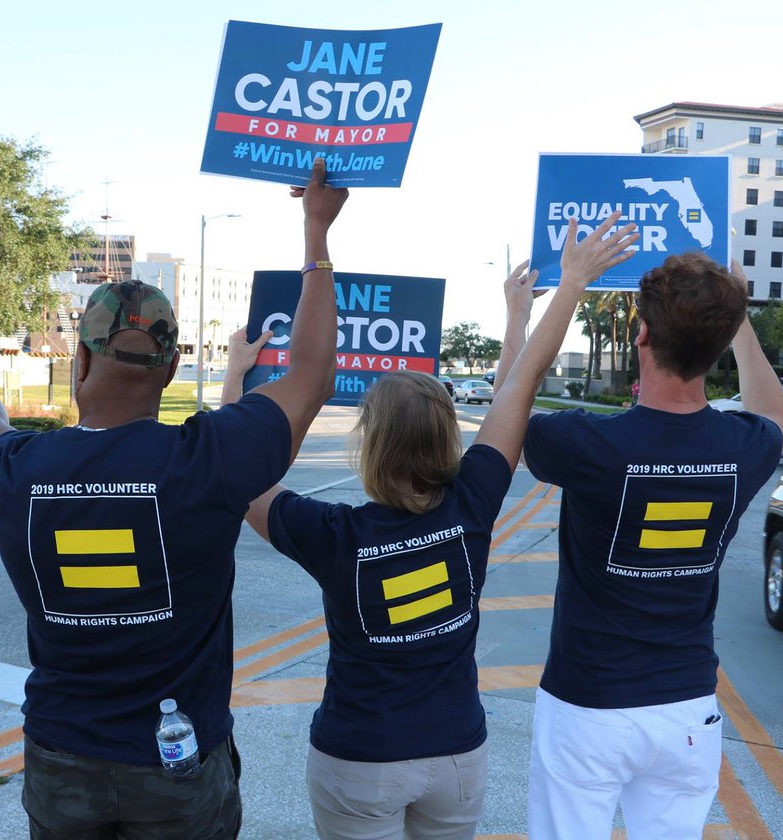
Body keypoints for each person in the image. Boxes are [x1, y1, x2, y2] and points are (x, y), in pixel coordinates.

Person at [0, 157, 347, 839]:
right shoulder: (208, 459)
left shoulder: (15, 473)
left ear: (81, 360)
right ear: (173, 367)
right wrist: (317, 233)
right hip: (178, 762)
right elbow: (311, 372)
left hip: (61, 757)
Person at [228, 213, 639, 839]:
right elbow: (518, 392)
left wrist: (239, 376)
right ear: (449, 436)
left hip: (359, 758)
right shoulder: (470, 501)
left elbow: (236, 471)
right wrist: (551, 298)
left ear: (369, 445)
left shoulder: (332, 533)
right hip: (456, 757)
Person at [519, 255, 783, 839]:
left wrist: (552, 297)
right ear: (717, 345)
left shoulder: (591, 441)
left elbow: (508, 409)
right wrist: (734, 316)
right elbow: (773, 412)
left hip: (587, 703)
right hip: (687, 709)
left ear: (640, 335)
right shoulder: (744, 447)